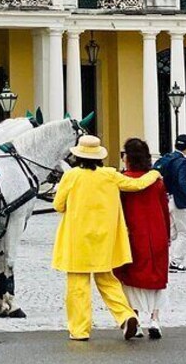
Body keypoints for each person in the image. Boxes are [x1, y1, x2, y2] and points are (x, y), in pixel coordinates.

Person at [52, 135, 162, 341]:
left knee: (78, 287)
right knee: (108, 281)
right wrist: (155, 173)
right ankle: (126, 316)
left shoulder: (71, 176)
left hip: (77, 240)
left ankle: (79, 330)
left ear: (78, 156)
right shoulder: (110, 175)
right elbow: (137, 185)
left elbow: (58, 205)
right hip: (104, 239)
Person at [114, 138, 170, 340]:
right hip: (157, 234)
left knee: (130, 279)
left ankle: (134, 320)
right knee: (157, 278)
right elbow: (165, 210)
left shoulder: (123, 182)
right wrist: (167, 236)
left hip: (132, 235)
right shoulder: (156, 181)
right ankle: (155, 320)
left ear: (127, 158)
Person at [154, 134, 186, 273]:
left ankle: (159, 258)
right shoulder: (182, 161)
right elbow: (182, 182)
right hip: (177, 200)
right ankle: (175, 262)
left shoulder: (167, 158)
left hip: (166, 198)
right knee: (184, 232)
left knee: (170, 232)